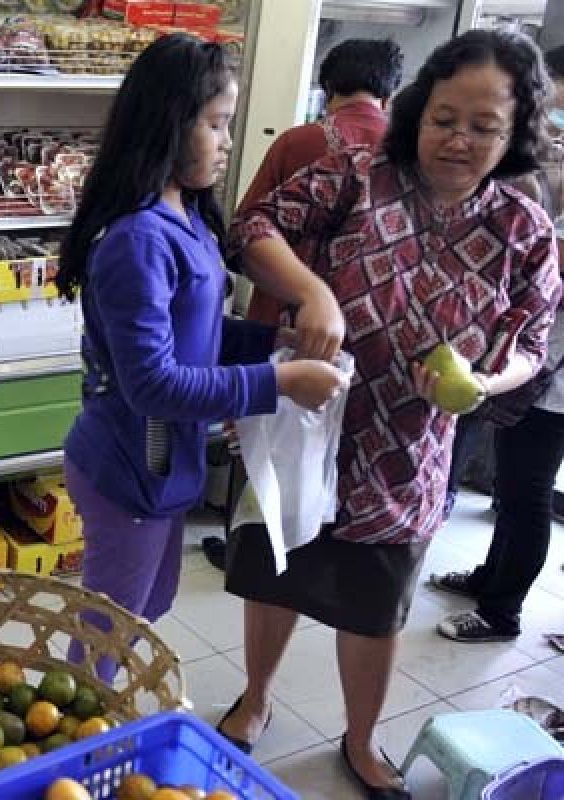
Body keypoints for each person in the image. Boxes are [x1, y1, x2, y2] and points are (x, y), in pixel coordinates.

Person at [217, 30, 560, 799]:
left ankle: (363, 739)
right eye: (444, 117)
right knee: (277, 568)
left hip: (409, 446)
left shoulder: (522, 228)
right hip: (310, 416)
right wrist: (314, 291)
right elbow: (255, 228)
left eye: (484, 125)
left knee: (375, 602)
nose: (459, 139)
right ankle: (257, 697)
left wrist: (483, 378)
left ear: (514, 135)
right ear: (417, 110)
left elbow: (532, 344)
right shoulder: (357, 171)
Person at [56, 33, 348, 679]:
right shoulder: (137, 241)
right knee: (106, 628)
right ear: (167, 122)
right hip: (130, 466)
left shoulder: (186, 219)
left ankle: (107, 702)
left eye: (228, 124)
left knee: (143, 606)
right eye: (215, 124)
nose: (225, 141)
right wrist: (281, 383)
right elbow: (155, 384)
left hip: (164, 464)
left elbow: (199, 332)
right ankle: (77, 738)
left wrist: (274, 343)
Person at [203, 37, 405, 570]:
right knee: (341, 454)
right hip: (373, 344)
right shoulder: (407, 151)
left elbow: (243, 233)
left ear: (326, 86)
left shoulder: (299, 141)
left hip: (285, 330)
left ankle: (257, 546)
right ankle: (325, 543)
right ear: (393, 90)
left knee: (269, 447)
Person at [430, 44, 564, 643]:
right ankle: (490, 576)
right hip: (527, 363)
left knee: (529, 488)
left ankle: (502, 612)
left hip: (552, 368)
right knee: (512, 484)